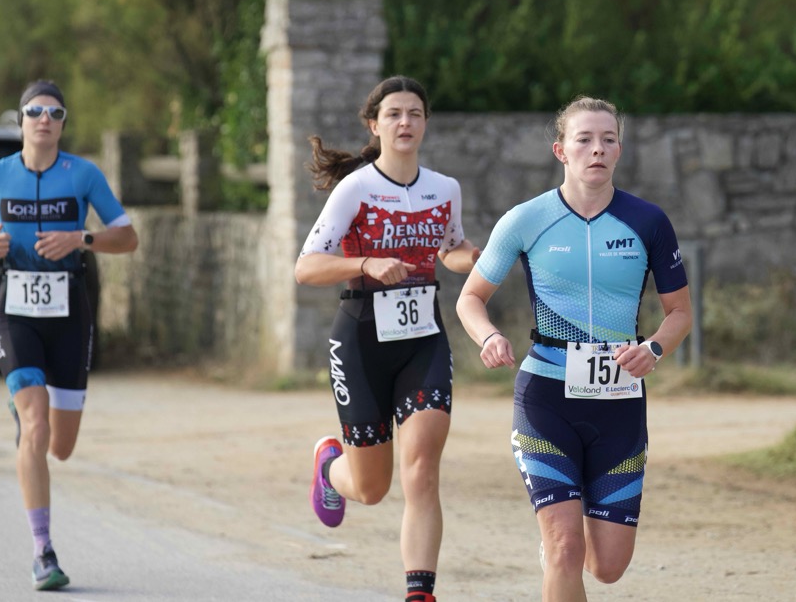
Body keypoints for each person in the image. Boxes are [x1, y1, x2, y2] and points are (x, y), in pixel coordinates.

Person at [455, 94, 693, 602]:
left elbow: (680, 313)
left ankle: (560, 555)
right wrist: (489, 336)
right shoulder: (526, 219)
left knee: (607, 566)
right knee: (565, 547)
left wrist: (653, 349)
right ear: (561, 150)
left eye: (608, 139)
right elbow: (470, 298)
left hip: (619, 401)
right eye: (584, 139)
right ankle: (558, 551)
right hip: (546, 396)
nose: (597, 149)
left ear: (620, 150)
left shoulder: (648, 221)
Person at [296, 76, 479, 602]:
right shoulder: (355, 189)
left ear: (425, 124)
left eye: (415, 113)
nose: (405, 122)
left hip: (424, 340)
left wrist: (479, 258)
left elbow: (451, 249)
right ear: (374, 126)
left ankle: (420, 592)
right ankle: (329, 469)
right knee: (372, 488)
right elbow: (306, 267)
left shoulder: (445, 189)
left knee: (421, 470)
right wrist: (365, 263)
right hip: (361, 340)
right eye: (394, 114)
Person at [0, 79, 138, 591]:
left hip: (69, 312)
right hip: (14, 310)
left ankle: (29, 413)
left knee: (61, 445)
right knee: (35, 427)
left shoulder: (83, 174)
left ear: (63, 124)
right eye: (35, 111)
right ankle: (43, 551)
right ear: (21, 120)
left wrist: (82, 238)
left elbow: (128, 237)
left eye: (55, 113)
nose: (44, 120)